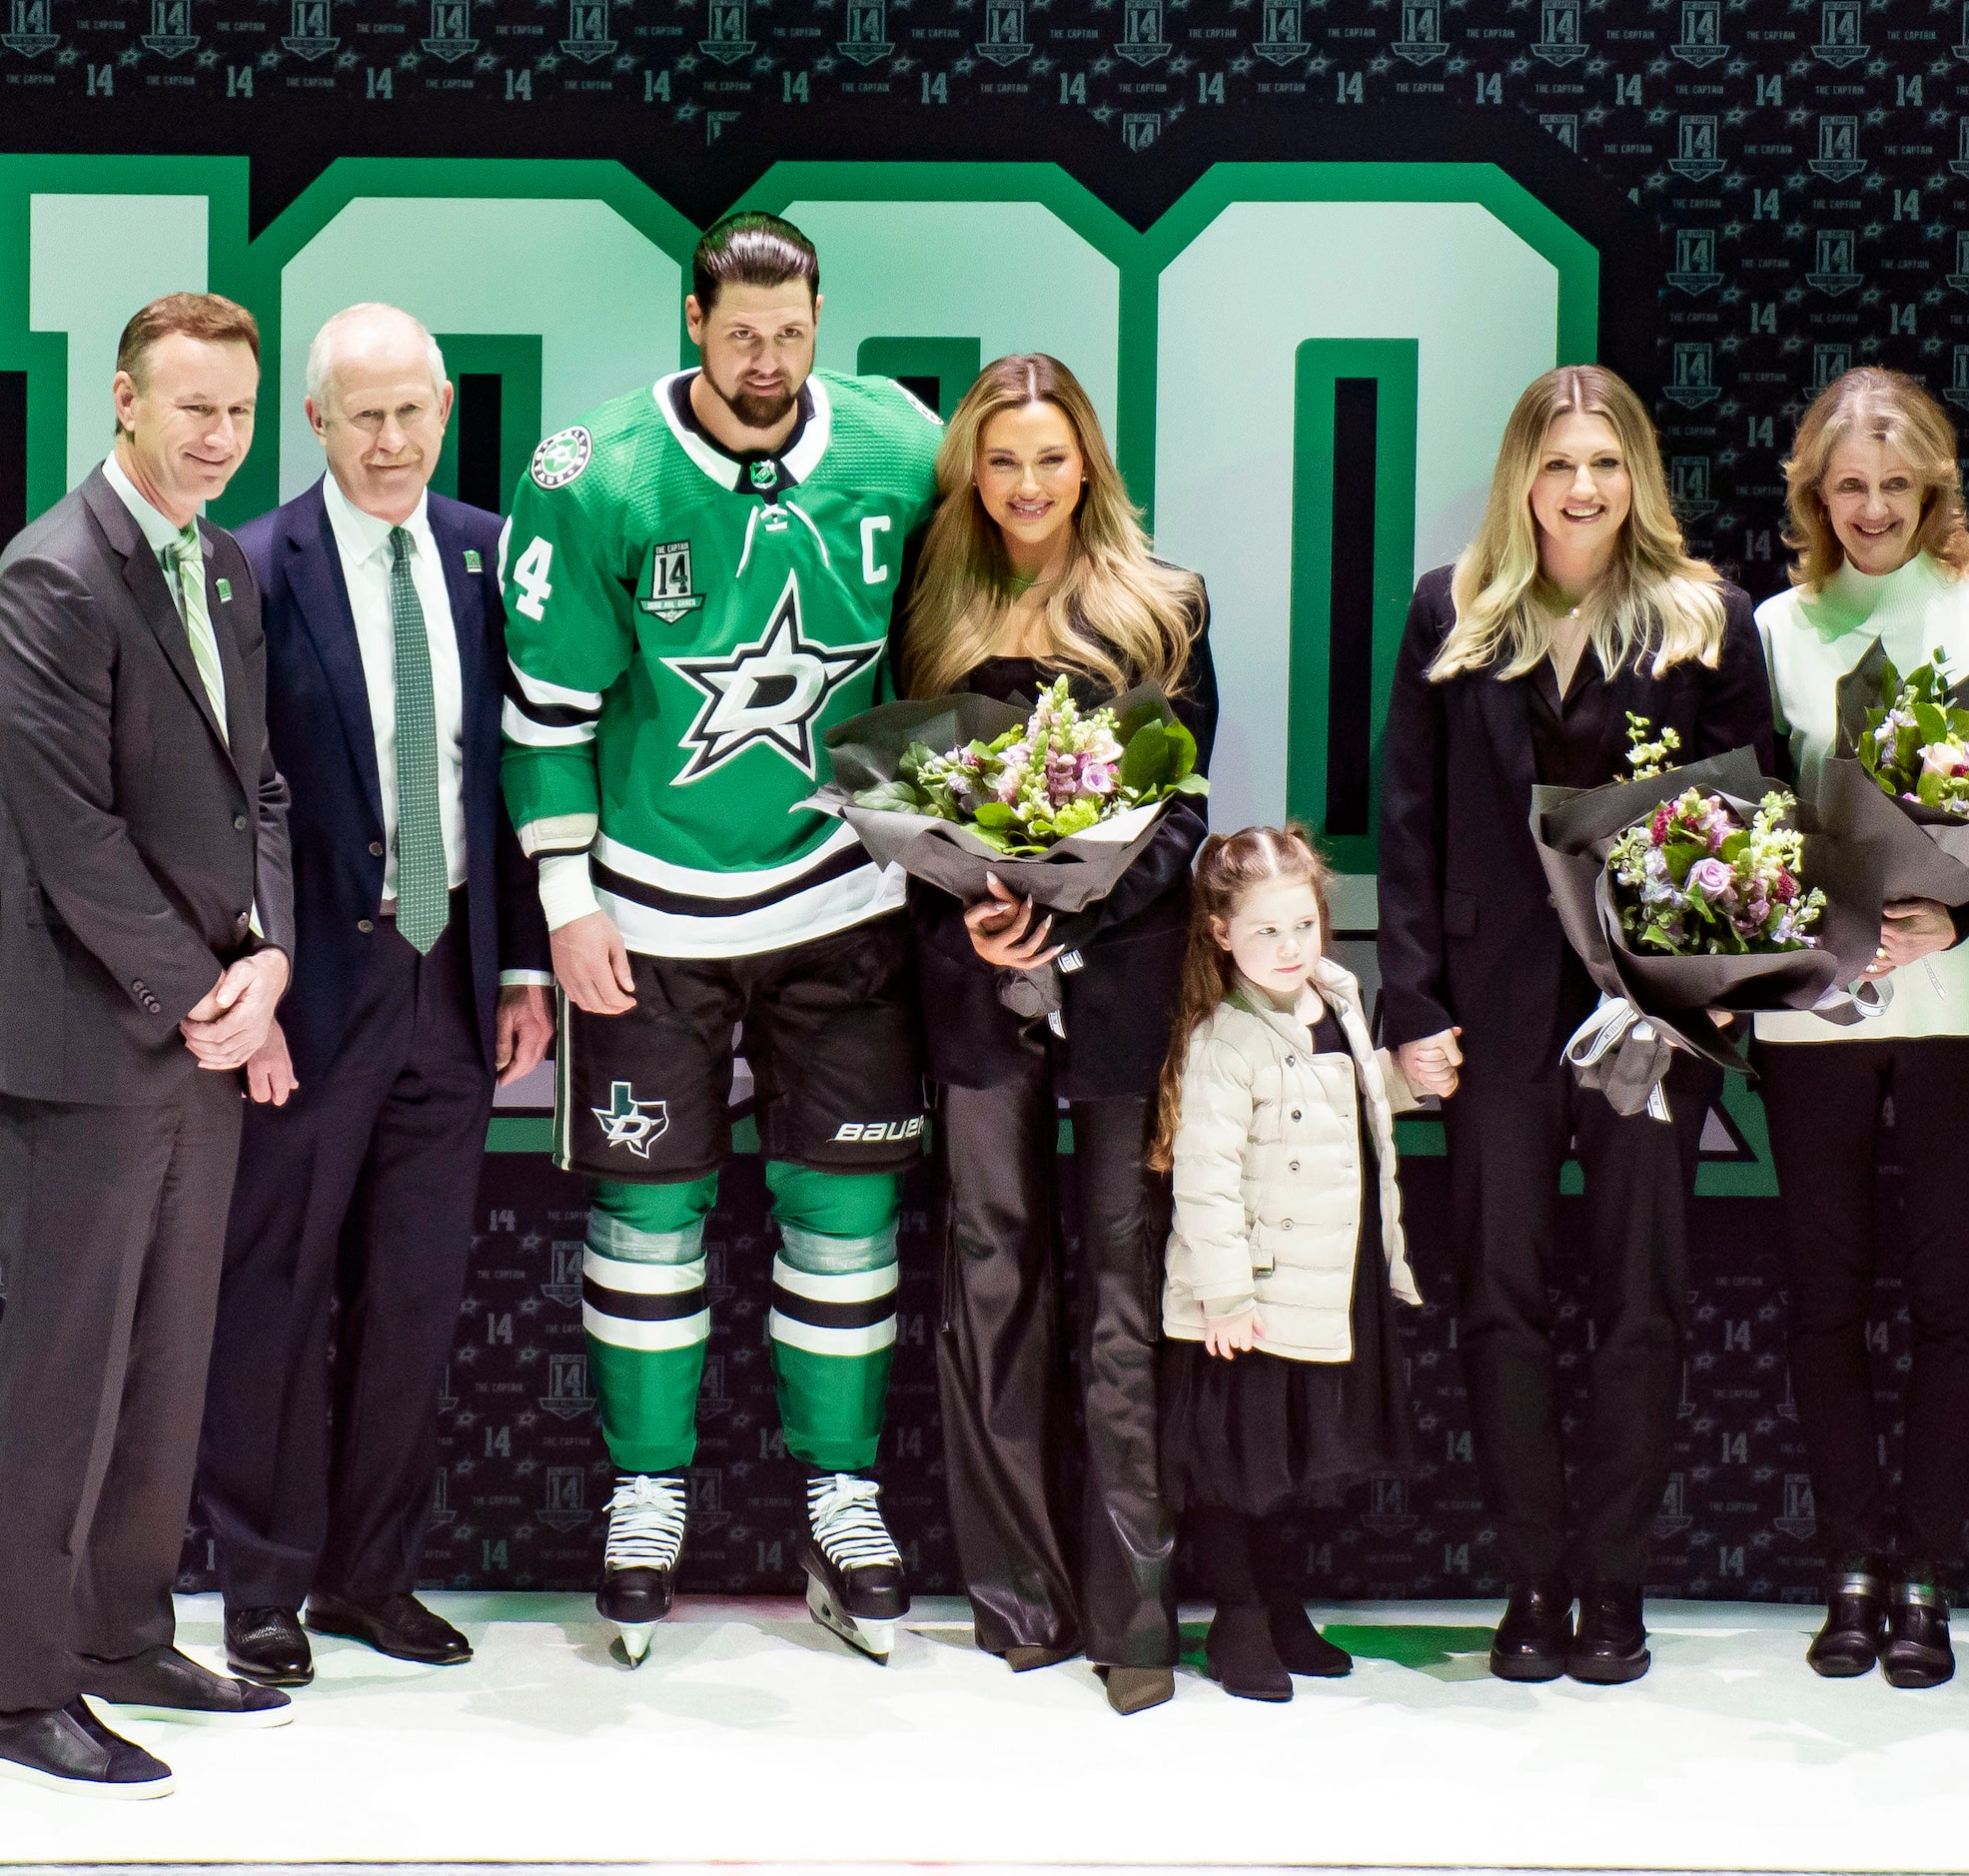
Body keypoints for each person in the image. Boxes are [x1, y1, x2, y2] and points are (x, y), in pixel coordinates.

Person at [499, 212, 943, 1666]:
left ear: (823, 323)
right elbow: (549, 714)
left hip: (844, 905)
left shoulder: (900, 444)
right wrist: (565, 904)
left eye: (790, 333)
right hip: (651, 915)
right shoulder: (598, 474)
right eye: (738, 331)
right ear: (691, 320)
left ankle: (841, 1492)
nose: (765, 360)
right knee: (647, 1223)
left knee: (845, 1221)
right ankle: (644, 1491)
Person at [1378, 364, 1773, 1685]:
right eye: (1558, 465)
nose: (1582, 487)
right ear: (1521, 480)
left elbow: (1746, 830)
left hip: (1644, 1020)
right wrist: (1413, 1008)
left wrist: (1683, 994)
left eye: (1605, 463)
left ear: (1636, 477)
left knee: (1640, 1307)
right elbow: (1412, 819)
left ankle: (1613, 1590)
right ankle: (1529, 1585)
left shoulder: (1705, 617)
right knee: (1496, 1303)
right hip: (1490, 1020)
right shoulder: (1455, 610)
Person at [0, 291, 297, 1797]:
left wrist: (268, 955)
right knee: (65, 1380)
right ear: (123, 402)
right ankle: (20, 1691)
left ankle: (125, 1632)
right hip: (84, 1046)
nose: (218, 438)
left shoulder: (221, 565)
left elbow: (257, 796)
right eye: (192, 408)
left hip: (199, 1032)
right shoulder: (53, 576)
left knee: (165, 1366)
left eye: (237, 410)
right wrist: (203, 988)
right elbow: (71, 836)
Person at [194, 304, 555, 1688]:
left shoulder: (487, 557)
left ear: (445, 405)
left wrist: (520, 958)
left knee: (415, 1296)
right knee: (274, 1292)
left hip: (454, 982)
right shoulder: (250, 570)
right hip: (309, 985)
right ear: (316, 423)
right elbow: (225, 801)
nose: (391, 439)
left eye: (412, 411)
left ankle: (371, 1578)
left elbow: (520, 775)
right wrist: (256, 978)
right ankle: (263, 1587)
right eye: (364, 415)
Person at [900, 354, 1215, 1715]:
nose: (1026, 485)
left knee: (1121, 1294)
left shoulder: (1165, 608)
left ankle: (1133, 1617)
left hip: (1124, 994)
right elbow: (900, 798)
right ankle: (1018, 1600)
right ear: (973, 469)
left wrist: (1073, 918)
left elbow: (1184, 815)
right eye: (1002, 459)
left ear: (1089, 461)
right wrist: (974, 914)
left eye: (1049, 457)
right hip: (972, 999)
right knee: (990, 1284)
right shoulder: (928, 603)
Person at [1748, 368, 1969, 1688]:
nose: (1869, 509)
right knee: (1822, 1299)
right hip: (1815, 1006)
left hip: (1966, 1005)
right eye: (1845, 487)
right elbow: (1750, 823)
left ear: (1934, 486)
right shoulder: (1772, 625)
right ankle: (1850, 1569)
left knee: (1947, 1300)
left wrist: (1957, 920)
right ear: (1813, 493)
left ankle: (1924, 1573)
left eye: (1892, 485)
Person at [1156, 826, 1425, 1702]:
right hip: (1247, 1297)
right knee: (1238, 1467)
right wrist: (1225, 1297)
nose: (1288, 948)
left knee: (1288, 1467)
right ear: (1220, 932)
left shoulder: (1337, 998)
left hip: (1322, 1276)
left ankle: (1281, 1605)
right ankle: (1236, 1618)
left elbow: (1338, 1099)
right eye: (1265, 931)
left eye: (1302, 926)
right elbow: (1202, 1179)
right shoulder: (1221, 1040)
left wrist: (1408, 1080)